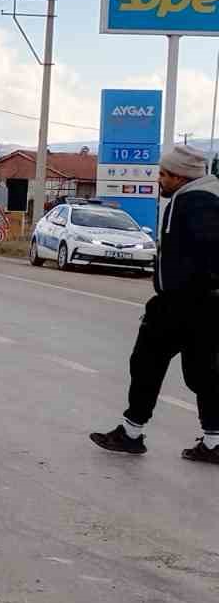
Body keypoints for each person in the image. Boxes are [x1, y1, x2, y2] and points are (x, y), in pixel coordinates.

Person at [91, 143, 219, 462]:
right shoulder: (211, 196)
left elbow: (188, 257)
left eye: (164, 174)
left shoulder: (188, 200)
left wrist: (168, 295)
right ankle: (214, 442)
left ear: (179, 176)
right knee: (204, 373)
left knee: (146, 363)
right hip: (207, 305)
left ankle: (131, 434)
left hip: (182, 304)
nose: (159, 179)